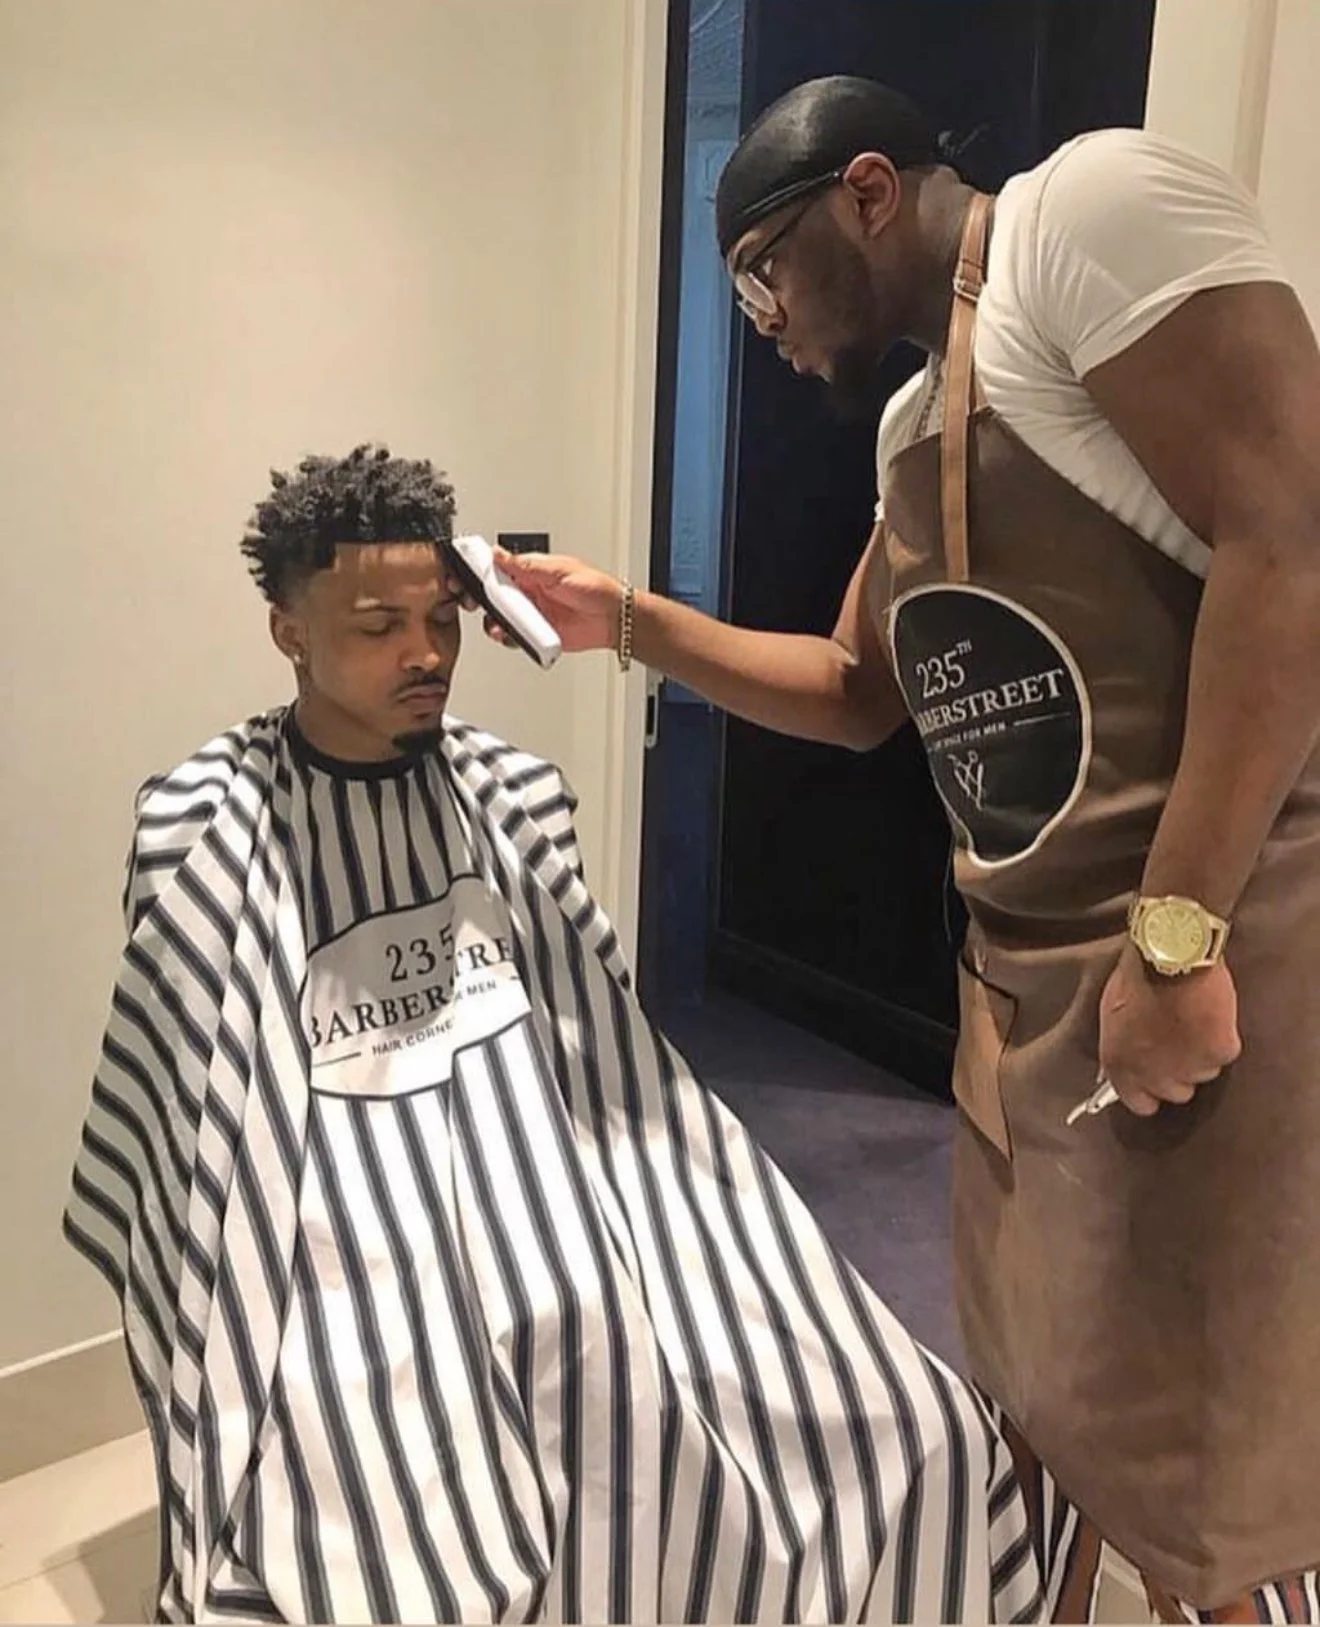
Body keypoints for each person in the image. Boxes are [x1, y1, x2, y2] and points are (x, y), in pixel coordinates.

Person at [480, 77, 1320, 1624]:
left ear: (869, 189)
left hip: (1201, 971)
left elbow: (1292, 538)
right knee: (1040, 1410)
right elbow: (865, 690)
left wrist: (1181, 941)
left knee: (1216, 1475)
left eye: (763, 273)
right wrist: (632, 627)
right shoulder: (916, 419)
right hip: (1026, 989)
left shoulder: (1093, 216)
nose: (759, 320)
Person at [64, 444, 1043, 1625]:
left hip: (567, 1209)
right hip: (339, 1255)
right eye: (377, 626)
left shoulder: (515, 797)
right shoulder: (201, 831)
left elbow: (607, 1074)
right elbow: (191, 1146)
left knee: (900, 1427)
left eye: (442, 617)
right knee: (379, 1537)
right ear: (288, 630)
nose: (425, 654)